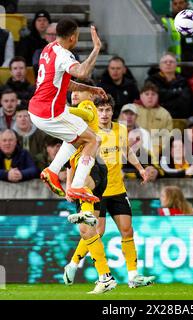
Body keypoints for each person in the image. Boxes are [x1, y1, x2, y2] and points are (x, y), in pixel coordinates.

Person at [65, 94, 155, 290]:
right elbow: (72, 162)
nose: (104, 114)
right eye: (101, 110)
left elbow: (127, 151)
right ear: (95, 112)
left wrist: (140, 168)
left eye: (107, 110)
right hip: (97, 191)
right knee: (97, 231)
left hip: (117, 189)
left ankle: (133, 276)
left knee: (127, 230)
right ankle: (73, 264)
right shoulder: (87, 133)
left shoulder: (120, 130)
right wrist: (69, 185)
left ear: (112, 112)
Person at [28, 17, 107, 202]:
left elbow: (64, 82)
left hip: (38, 109)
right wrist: (96, 48)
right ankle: (77, 186)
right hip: (50, 113)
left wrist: (89, 89)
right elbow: (82, 72)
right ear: (73, 37)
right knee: (93, 140)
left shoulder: (49, 49)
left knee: (76, 136)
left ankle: (52, 171)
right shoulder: (64, 55)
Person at [161, 0, 193, 77]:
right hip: (180, 69)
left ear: (187, 4)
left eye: (181, 3)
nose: (178, 6)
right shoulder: (167, 22)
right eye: (175, 4)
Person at [145, 52, 193, 118]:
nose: (168, 64)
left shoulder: (183, 81)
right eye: (165, 62)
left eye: (171, 62)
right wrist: (176, 93)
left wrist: (166, 98)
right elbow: (153, 100)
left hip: (180, 118)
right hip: (158, 118)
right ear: (160, 66)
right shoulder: (152, 80)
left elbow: (186, 101)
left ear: (176, 65)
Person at [12, 102, 47, 171]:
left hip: (38, 167)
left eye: (25, 116)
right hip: (16, 168)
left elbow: (45, 153)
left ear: (30, 117)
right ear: (16, 119)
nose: (23, 119)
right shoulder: (11, 134)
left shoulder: (40, 134)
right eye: (19, 116)